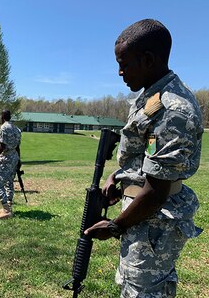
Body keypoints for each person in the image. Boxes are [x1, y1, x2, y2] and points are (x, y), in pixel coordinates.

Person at [84, 19, 203, 297]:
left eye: (124, 64)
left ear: (148, 59)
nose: (120, 72)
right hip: (142, 215)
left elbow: (157, 191)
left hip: (155, 221)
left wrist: (114, 226)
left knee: (144, 291)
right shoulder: (151, 97)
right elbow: (144, 153)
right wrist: (119, 178)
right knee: (132, 287)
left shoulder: (174, 110)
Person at [0, 110, 21, 220]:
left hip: (6, 158)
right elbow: (18, 146)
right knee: (9, 181)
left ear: (3, 117)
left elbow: (3, 145)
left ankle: (6, 209)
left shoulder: (4, 128)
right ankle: (9, 205)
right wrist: (19, 160)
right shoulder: (16, 129)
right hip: (14, 157)